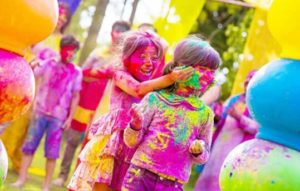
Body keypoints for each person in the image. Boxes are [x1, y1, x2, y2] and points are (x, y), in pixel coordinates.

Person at [68, 31, 193, 191]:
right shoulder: (120, 75)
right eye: (142, 57)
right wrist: (170, 78)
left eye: (154, 58)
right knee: (102, 182)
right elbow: (137, 89)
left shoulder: (153, 87)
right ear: (126, 58)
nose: (149, 63)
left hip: (135, 144)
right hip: (113, 144)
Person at [121, 36, 221, 191]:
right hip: (139, 175)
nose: (208, 76)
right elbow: (130, 141)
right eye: (202, 69)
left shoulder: (205, 114)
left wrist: (199, 149)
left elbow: (204, 156)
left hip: (173, 184)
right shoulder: (155, 99)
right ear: (181, 68)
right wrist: (135, 125)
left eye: (212, 72)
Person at [53, 21, 131, 188]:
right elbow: (81, 74)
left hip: (104, 110)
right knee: (73, 140)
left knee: (91, 146)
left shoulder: (124, 61)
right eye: (116, 31)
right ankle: (63, 175)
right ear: (111, 32)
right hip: (85, 103)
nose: (118, 36)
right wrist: (101, 74)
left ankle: (80, 182)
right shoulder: (98, 52)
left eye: (122, 34)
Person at [12, 35, 82, 191]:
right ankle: (21, 180)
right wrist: (32, 65)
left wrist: (70, 117)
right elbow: (33, 71)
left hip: (58, 117)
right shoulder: (49, 64)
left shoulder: (76, 72)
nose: (71, 54)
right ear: (61, 49)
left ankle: (46, 186)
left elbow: (76, 95)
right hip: (40, 112)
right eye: (68, 50)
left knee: (52, 153)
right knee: (29, 146)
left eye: (74, 51)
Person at [195, 70, 259, 191]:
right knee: (208, 176)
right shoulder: (234, 99)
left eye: (252, 80)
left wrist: (239, 118)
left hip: (236, 152)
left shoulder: (257, 105)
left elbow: (256, 128)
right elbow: (221, 118)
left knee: (223, 180)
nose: (248, 83)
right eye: (247, 80)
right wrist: (217, 117)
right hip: (218, 146)